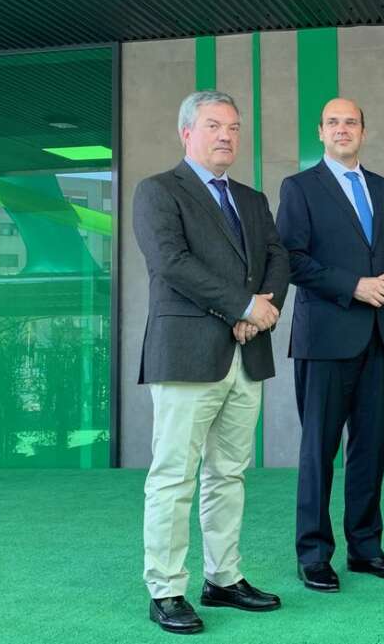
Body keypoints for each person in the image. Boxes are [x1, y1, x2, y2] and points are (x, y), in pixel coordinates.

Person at [134, 90, 289, 634]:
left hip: (246, 352)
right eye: (213, 125)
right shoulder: (157, 191)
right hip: (186, 354)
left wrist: (262, 311)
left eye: (234, 127)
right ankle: (166, 588)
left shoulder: (252, 197)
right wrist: (243, 306)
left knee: (229, 473)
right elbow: (171, 263)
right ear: (187, 133)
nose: (226, 135)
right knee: (175, 476)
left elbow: (277, 256)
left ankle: (224, 578)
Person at [276, 97, 384, 592]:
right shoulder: (299, 188)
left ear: (363, 130)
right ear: (320, 132)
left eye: (351, 122)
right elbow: (290, 259)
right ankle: (314, 554)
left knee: (371, 447)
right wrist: (354, 285)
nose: (342, 129)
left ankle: (366, 548)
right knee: (319, 449)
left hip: (380, 335)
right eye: (333, 122)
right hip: (326, 338)